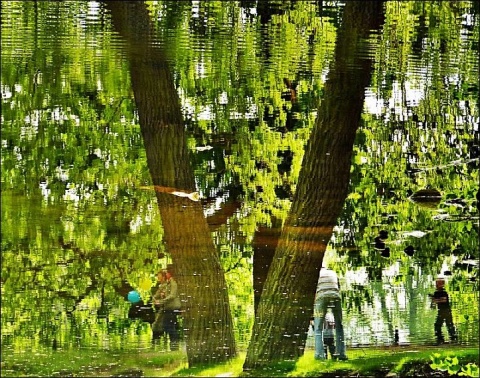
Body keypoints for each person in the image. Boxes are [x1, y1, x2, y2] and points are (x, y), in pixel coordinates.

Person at [314, 266, 347, 360]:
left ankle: (320, 356)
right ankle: (341, 354)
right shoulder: (333, 272)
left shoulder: (317, 274)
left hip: (321, 298)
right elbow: (338, 287)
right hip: (336, 297)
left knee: (318, 328)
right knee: (339, 326)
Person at [153, 266, 181, 351]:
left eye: (167, 273)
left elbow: (172, 295)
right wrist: (156, 298)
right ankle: (174, 344)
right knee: (168, 325)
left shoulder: (173, 283)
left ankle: (175, 344)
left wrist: (161, 301)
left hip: (172, 307)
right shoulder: (167, 284)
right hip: (168, 307)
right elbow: (160, 294)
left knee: (168, 325)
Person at [430, 278, 457, 345]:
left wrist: (435, 300)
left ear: (442, 284)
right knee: (438, 325)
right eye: (436, 283)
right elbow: (433, 305)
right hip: (441, 311)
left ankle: (452, 339)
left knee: (449, 325)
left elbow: (444, 300)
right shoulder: (436, 293)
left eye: (438, 283)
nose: (437, 285)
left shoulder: (444, 292)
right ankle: (441, 339)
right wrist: (432, 301)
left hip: (446, 311)